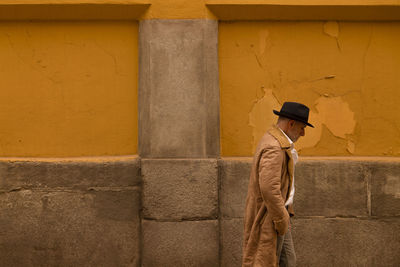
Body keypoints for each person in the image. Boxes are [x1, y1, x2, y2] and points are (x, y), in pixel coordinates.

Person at [242, 102, 314, 267]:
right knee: (265, 261)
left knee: (288, 261)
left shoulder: (277, 143)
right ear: (291, 124)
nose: (303, 133)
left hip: (278, 215)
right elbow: (269, 189)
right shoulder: (275, 148)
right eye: (302, 128)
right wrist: (281, 218)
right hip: (271, 217)